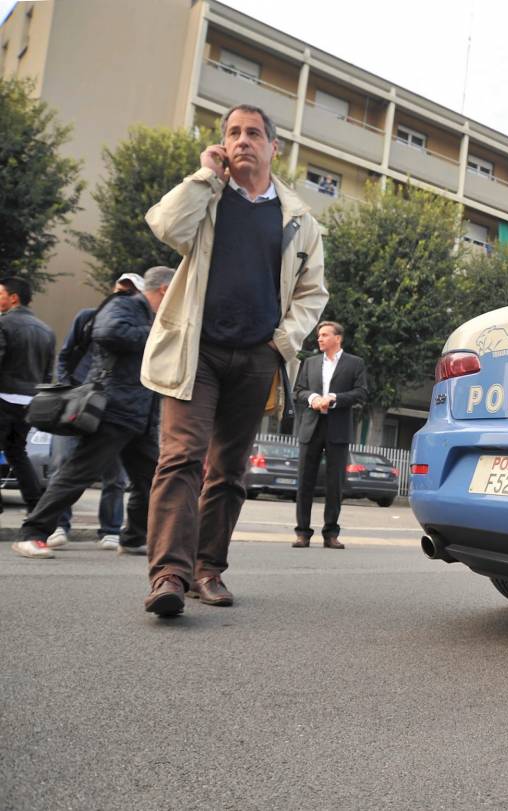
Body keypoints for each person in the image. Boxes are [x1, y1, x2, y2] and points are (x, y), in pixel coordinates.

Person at [140, 102, 328, 616]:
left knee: (228, 470)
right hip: (195, 352)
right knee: (181, 458)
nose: (242, 140)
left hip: (256, 358)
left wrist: (283, 341)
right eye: (232, 133)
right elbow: (165, 226)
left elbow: (314, 292)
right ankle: (169, 576)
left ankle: (208, 569)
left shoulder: (297, 219)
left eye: (252, 133)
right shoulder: (209, 196)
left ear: (273, 146)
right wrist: (205, 174)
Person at [11, 268, 173, 560]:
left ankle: (134, 538)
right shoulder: (125, 305)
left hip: (141, 414)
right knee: (78, 473)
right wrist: (157, 334)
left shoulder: (151, 316)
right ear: (164, 289)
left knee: (148, 479)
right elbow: (108, 331)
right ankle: (32, 533)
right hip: (115, 409)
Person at [43, 273, 147, 552]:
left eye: (131, 290)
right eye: (121, 287)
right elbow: (66, 355)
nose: (124, 293)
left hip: (109, 404)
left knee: (115, 473)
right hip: (78, 401)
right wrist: (68, 386)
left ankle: (111, 529)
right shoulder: (89, 317)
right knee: (64, 464)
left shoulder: (136, 323)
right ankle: (58, 526)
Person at [292, 321, 368, 549]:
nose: (320, 339)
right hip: (311, 426)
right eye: (319, 335)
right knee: (305, 481)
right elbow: (298, 391)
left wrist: (334, 398)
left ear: (338, 338)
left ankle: (331, 534)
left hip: (338, 428)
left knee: (335, 484)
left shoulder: (355, 364)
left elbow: (361, 392)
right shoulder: (310, 363)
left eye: (325, 335)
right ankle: (302, 533)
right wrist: (312, 398)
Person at [0, 277, 56, 514]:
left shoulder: (3, 324)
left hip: (3, 397)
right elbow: (48, 372)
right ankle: (35, 504)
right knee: (16, 452)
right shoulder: (46, 330)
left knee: (15, 452)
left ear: (14, 298)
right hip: (29, 402)